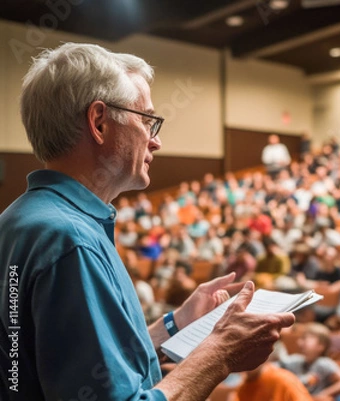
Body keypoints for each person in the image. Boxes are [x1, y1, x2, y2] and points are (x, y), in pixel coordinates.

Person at [0, 43, 294, 401]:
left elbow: (85, 372)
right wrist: (221, 352)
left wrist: (177, 324)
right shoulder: (69, 240)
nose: (156, 141)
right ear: (99, 122)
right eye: (147, 121)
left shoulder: (21, 220)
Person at [280, 323, 340, 399]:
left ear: (321, 345)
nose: (299, 342)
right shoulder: (296, 360)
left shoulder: (323, 363)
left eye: (305, 338)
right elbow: (271, 368)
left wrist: (322, 394)